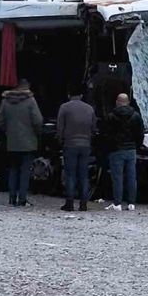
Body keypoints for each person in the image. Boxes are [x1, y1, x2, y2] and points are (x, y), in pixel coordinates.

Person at [0, 79, 43, 207]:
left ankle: (12, 198)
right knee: (25, 171)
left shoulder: (5, 101)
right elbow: (38, 120)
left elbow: (0, 121)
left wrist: (8, 132)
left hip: (11, 142)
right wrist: (37, 133)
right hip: (28, 142)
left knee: (13, 170)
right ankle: (22, 199)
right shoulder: (30, 101)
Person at [57, 84, 96, 212]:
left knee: (70, 174)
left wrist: (60, 141)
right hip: (85, 145)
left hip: (70, 144)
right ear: (81, 95)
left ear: (69, 94)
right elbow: (93, 128)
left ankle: (69, 203)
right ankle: (83, 203)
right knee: (84, 175)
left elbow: (60, 128)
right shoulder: (89, 109)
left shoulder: (64, 108)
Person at [104, 93, 144, 211]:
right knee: (132, 177)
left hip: (116, 150)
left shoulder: (111, 116)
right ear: (128, 102)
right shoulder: (136, 116)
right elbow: (140, 134)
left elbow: (106, 134)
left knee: (117, 177)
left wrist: (110, 147)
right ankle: (131, 203)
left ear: (117, 102)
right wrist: (137, 145)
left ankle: (117, 203)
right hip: (131, 149)